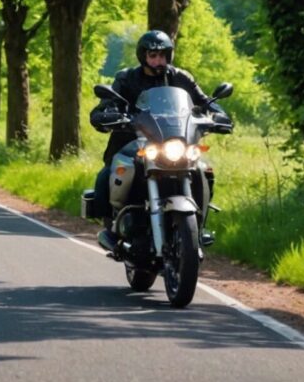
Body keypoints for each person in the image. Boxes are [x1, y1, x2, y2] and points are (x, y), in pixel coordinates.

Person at [88, 30, 232, 250]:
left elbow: (204, 102)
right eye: (153, 55)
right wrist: (108, 114)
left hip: (175, 141)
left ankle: (197, 229)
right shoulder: (127, 78)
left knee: (204, 171)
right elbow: (106, 106)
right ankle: (111, 229)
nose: (159, 61)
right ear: (143, 56)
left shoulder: (180, 77)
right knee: (106, 176)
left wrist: (218, 114)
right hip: (133, 142)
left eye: (163, 55)